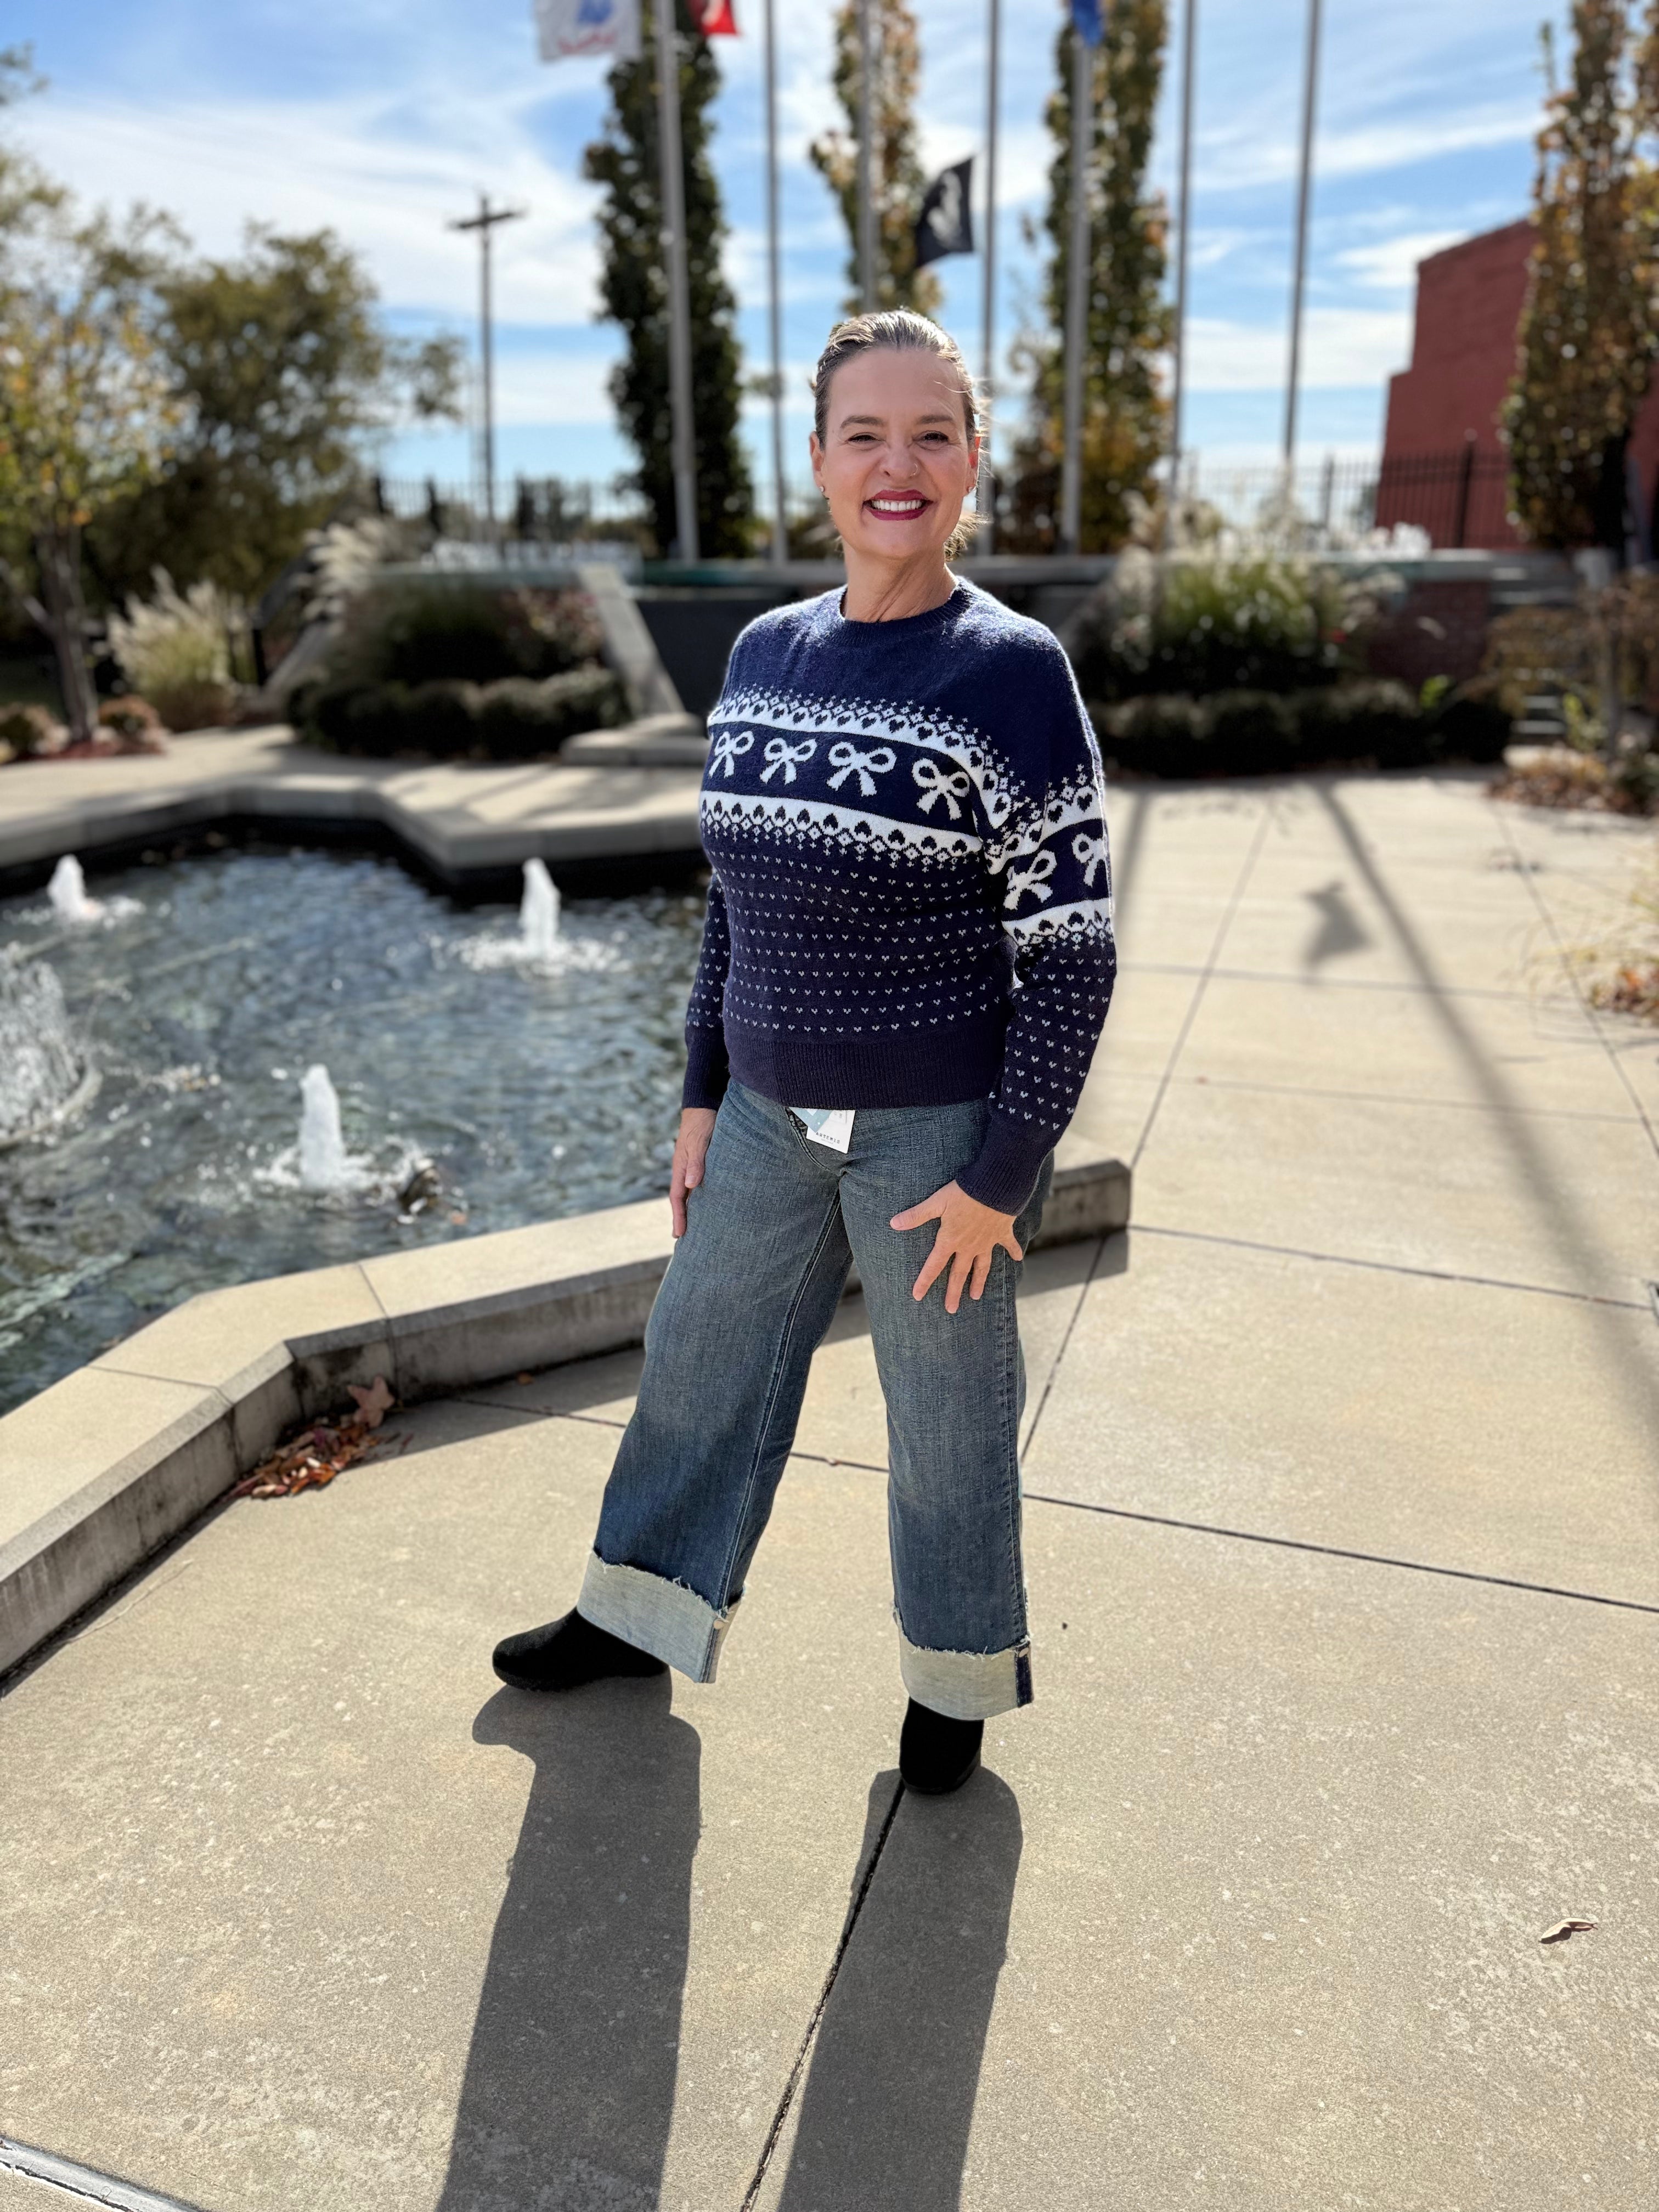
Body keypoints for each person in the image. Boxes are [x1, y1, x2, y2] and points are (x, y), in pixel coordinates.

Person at [494, 309, 1116, 1796]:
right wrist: (703, 1093)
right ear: (821, 459)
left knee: (947, 1429)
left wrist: (1000, 1179)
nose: (896, 464)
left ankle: (955, 1685)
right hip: (768, 1115)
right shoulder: (768, 652)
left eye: (930, 433)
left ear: (971, 460)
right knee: (695, 1363)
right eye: (864, 434)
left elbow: (1073, 955)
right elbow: (736, 905)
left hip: (937, 1146)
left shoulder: (1014, 674)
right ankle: (634, 1612)